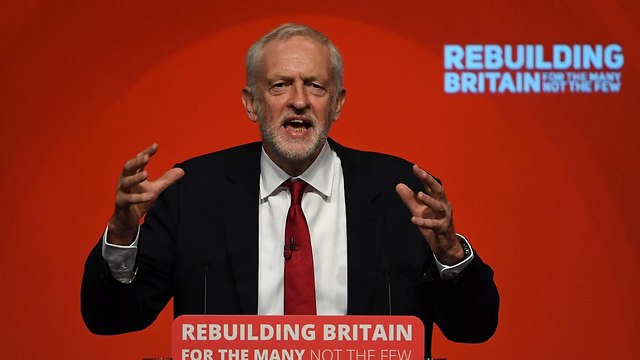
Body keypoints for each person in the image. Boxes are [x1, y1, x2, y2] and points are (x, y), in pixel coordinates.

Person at [81, 23, 499, 356]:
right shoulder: (192, 193)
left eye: (316, 86)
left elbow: (474, 329)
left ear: (336, 103)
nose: (299, 100)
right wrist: (122, 237)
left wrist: (451, 255)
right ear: (251, 103)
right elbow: (111, 318)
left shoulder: (402, 194)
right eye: (280, 85)